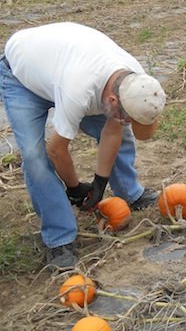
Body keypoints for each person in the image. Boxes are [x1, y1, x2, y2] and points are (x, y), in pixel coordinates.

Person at [0, 22, 166, 270]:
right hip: (21, 76)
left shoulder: (137, 81)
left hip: (60, 65)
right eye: (125, 114)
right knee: (35, 157)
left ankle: (130, 193)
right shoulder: (78, 89)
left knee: (123, 134)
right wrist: (75, 188)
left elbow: (113, 131)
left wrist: (100, 182)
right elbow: (56, 150)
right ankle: (59, 237)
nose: (127, 120)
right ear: (112, 99)